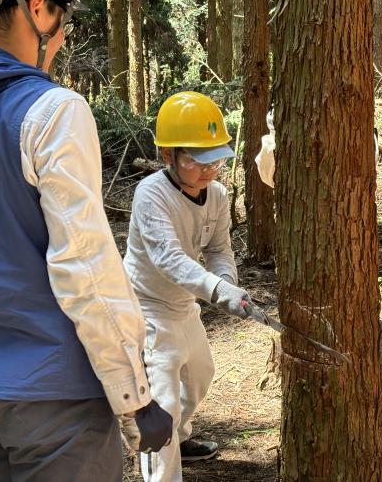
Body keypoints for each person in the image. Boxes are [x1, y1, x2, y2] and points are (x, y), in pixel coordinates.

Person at [0, 0, 172, 480]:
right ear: (37, 7)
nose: (61, 40)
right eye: (64, 21)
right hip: (56, 401)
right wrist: (135, 399)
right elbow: (84, 266)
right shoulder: (51, 111)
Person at [122, 91, 259, 480]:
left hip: (185, 307)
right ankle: (160, 469)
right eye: (197, 161)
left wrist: (228, 284)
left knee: (201, 375)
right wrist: (215, 289)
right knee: (160, 407)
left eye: (215, 160)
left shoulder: (215, 194)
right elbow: (167, 259)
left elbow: (218, 248)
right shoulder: (151, 194)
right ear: (168, 154)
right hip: (148, 311)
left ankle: (182, 438)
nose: (208, 170)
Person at [255, 113, 382, 418]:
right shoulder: (280, 130)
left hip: (347, 234)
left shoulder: (353, 119)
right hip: (300, 240)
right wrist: (276, 139)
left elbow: (363, 168)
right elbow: (270, 177)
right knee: (304, 313)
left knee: (362, 309)